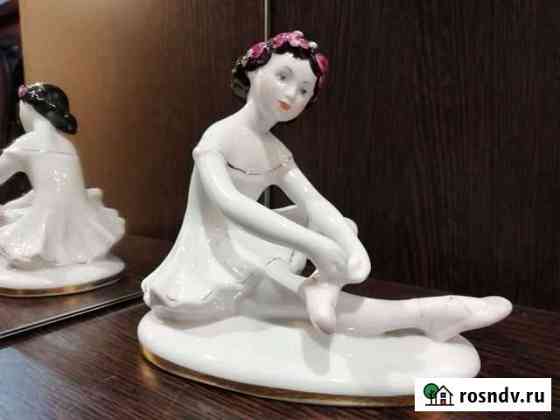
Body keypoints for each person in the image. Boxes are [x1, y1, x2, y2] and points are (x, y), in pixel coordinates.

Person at [143, 31, 511, 340]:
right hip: (213, 257)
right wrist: (313, 244)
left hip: (251, 242)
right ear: (254, 71)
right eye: (283, 76)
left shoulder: (275, 150)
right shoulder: (219, 137)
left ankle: (322, 287)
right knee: (292, 294)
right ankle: (427, 313)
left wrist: (352, 248)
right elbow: (231, 205)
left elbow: (314, 203)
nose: (292, 94)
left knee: (342, 225)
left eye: (304, 90)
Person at [0, 83, 124, 269]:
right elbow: (54, 191)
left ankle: (39, 254)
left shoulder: (27, 143)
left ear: (27, 108)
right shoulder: (67, 145)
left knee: (8, 228)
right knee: (12, 212)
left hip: (49, 220)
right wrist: (11, 206)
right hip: (78, 220)